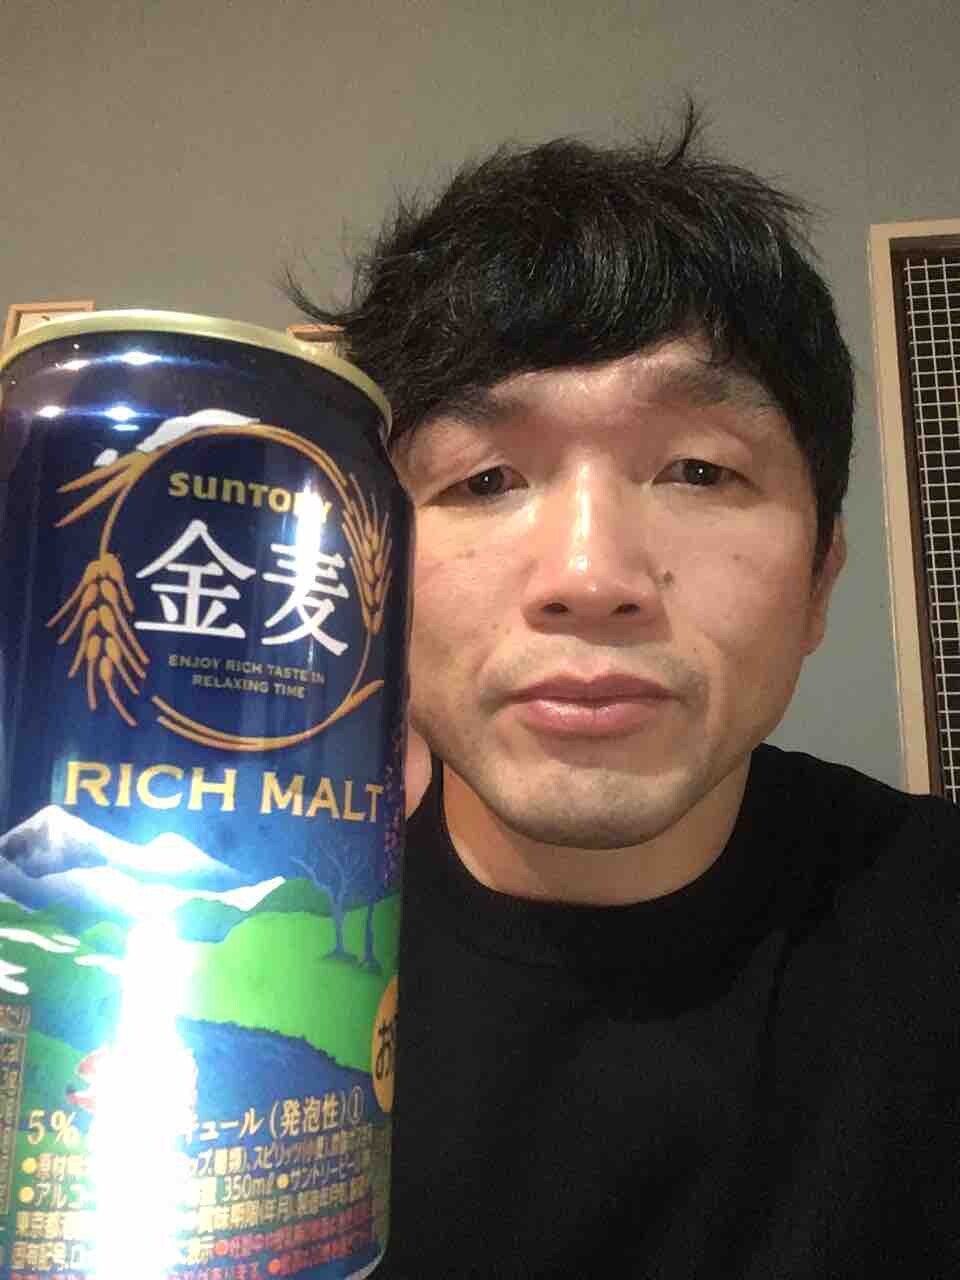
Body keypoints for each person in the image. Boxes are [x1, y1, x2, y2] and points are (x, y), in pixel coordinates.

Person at [289, 108, 959, 1278]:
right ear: (369, 577)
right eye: (484, 478)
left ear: (820, 580)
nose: (591, 577)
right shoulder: (203, 941)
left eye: (700, 469)